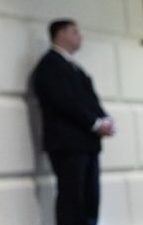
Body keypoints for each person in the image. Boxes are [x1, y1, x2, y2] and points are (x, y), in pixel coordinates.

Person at [31, 19, 113, 225]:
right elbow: (64, 101)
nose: (80, 36)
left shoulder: (73, 67)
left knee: (89, 199)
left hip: (86, 144)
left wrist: (105, 119)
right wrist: (94, 123)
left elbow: (89, 100)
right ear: (61, 34)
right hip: (68, 145)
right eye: (75, 32)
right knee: (72, 199)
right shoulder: (50, 65)